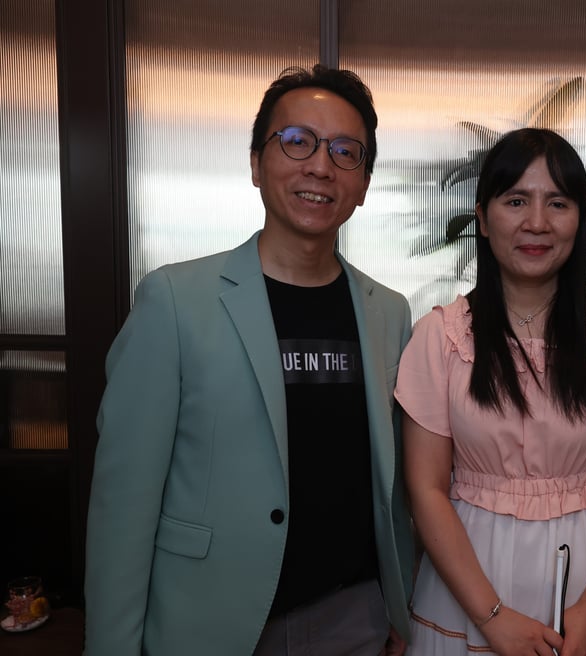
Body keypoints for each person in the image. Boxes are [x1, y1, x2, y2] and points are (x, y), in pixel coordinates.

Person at [84, 65, 414, 656]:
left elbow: (392, 486)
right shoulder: (175, 302)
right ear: (257, 163)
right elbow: (123, 506)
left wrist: (400, 603)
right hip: (209, 622)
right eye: (297, 141)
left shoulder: (389, 312)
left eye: (346, 151)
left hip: (354, 617)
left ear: (363, 183)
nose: (321, 166)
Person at [397, 127, 586, 656]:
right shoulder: (440, 336)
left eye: (557, 203)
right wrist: (490, 618)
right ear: (482, 217)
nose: (537, 222)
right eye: (516, 201)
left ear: (579, 219)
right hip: (465, 593)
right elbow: (425, 488)